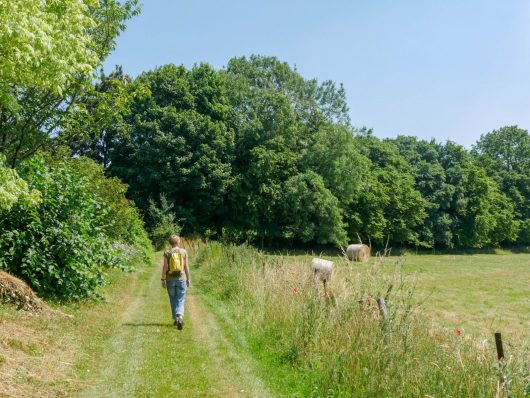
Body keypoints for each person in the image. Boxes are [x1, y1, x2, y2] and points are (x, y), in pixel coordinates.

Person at [161, 235, 190, 329]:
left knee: (173, 299)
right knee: (180, 299)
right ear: (178, 242)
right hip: (181, 279)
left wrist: (163, 279)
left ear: (170, 243)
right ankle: (180, 316)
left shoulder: (167, 252)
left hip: (170, 279)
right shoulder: (184, 252)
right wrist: (188, 278)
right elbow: (186, 267)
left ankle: (176, 319)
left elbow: (165, 267)